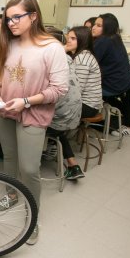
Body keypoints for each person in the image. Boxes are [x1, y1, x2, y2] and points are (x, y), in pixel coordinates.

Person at [0, 0, 68, 245]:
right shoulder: (9, 42)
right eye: (8, 18)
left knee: (30, 168)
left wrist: (25, 101)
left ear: (33, 16)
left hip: (32, 113)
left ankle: (32, 217)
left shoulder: (52, 47)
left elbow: (59, 89)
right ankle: (11, 195)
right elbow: (0, 74)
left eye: (16, 17)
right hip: (5, 110)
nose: (11, 23)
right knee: (10, 158)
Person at [45, 27, 84, 180]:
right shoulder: (67, 57)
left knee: (24, 117)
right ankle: (73, 164)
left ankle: (35, 156)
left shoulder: (50, 59)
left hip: (61, 117)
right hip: (75, 113)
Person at [92, 13, 130, 136]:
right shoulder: (115, 37)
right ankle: (129, 119)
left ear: (107, 27)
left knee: (93, 93)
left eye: (98, 25)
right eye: (95, 24)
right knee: (127, 101)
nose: (94, 28)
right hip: (126, 79)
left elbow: (91, 61)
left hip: (115, 84)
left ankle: (128, 125)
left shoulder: (103, 41)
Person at [65, 26, 102, 119]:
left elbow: (76, 90)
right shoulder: (82, 54)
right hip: (87, 103)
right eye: (68, 37)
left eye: (73, 38)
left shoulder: (81, 59)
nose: (68, 41)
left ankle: (62, 132)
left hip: (87, 106)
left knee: (49, 108)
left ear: (82, 40)